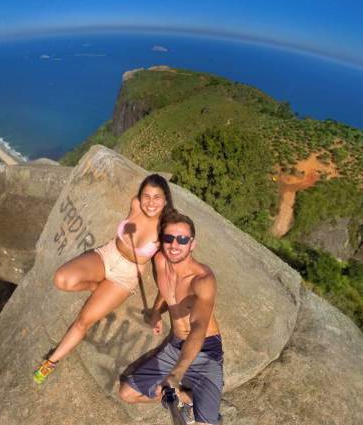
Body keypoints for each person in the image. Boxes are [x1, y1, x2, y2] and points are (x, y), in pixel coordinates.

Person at [33, 174, 174, 384]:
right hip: (106, 254)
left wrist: (156, 312)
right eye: (146, 196)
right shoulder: (135, 205)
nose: (150, 203)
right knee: (61, 279)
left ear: (166, 199)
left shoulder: (165, 229)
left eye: (157, 197)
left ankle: (50, 363)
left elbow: (166, 274)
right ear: (140, 196)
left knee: (83, 321)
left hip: (124, 277)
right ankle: (96, 286)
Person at [119, 211, 223, 425]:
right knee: (127, 394)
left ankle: (199, 400)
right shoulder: (160, 260)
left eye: (182, 239)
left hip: (205, 350)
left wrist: (177, 373)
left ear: (192, 244)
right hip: (175, 346)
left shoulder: (202, 280)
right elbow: (167, 288)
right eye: (169, 238)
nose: (174, 245)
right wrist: (157, 310)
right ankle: (187, 398)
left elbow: (198, 328)